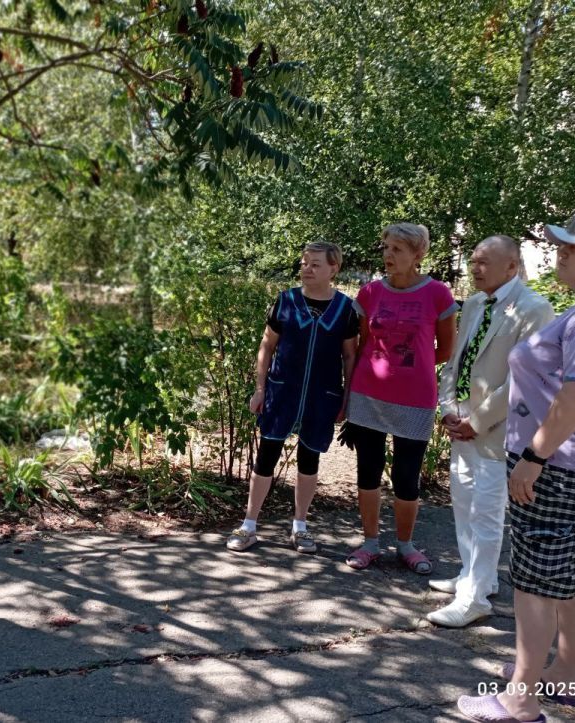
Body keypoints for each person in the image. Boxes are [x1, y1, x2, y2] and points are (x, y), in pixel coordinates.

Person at [457, 210, 575, 722]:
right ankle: (562, 674)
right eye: (560, 244)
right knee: (571, 572)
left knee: (535, 584)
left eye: (573, 247)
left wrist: (534, 458)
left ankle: (520, 700)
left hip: (566, 469)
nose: (561, 252)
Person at [429, 236, 554, 628]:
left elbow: (523, 379)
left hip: (499, 431)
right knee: (463, 504)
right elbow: (456, 361)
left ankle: (476, 599)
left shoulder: (535, 309)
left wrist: (477, 421)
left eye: (484, 262)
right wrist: (449, 408)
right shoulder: (476, 304)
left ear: (512, 267)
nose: (475, 268)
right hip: (462, 424)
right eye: (473, 260)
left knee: (485, 511)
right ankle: (472, 576)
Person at [340, 222, 457, 574]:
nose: (389, 255)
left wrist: (409, 369)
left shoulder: (438, 294)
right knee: (368, 471)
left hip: (415, 398)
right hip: (367, 396)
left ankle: (406, 546)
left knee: (407, 476)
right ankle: (371, 543)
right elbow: (361, 346)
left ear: (418, 255)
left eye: (398, 250)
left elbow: (445, 350)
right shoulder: (369, 292)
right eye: (386, 248)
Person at [226, 242, 358, 553]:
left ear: (333, 269)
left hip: (321, 395)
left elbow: (350, 355)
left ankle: (300, 527)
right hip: (281, 391)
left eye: (314, 264)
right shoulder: (285, 301)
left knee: (309, 458)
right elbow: (266, 346)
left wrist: (346, 397)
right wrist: (260, 388)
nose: (306, 269)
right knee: (266, 455)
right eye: (303, 263)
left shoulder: (345, 309)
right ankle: (249, 525)